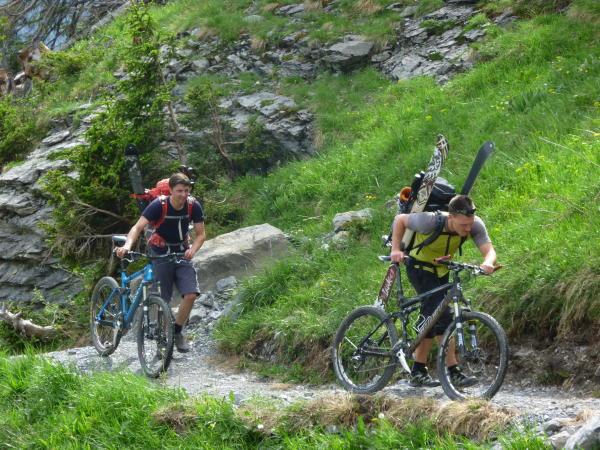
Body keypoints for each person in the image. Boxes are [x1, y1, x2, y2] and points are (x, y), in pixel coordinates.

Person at [390, 195, 497, 387]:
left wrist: (487, 263)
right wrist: (396, 250)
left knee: (433, 316)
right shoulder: (430, 221)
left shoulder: (474, 224)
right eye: (463, 225)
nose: (468, 229)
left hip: (442, 269)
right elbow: (400, 219)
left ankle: (418, 370)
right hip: (419, 267)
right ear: (451, 217)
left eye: (470, 224)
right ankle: (453, 371)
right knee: (442, 315)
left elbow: (489, 251)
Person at [115, 172, 206, 353]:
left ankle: (177, 331)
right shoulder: (159, 205)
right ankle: (162, 339)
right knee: (164, 298)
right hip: (160, 251)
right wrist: (127, 246)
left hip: (181, 251)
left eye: (186, 191)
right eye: (179, 191)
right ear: (171, 190)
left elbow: (201, 234)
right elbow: (137, 227)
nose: (183, 195)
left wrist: (192, 250)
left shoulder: (193, 205)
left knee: (191, 294)